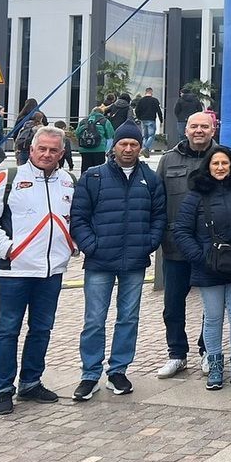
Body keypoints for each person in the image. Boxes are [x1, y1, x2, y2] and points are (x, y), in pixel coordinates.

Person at [0, 126, 75, 415]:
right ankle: (3, 389)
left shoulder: (69, 181)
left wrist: (71, 245)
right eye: (42, 148)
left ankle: (30, 382)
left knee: (42, 329)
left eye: (53, 150)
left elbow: (74, 219)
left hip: (51, 272)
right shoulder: (9, 177)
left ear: (62, 153)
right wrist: (8, 249)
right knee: (8, 330)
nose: (47, 154)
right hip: (14, 271)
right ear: (31, 150)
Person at [69, 121, 167, 401]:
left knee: (128, 318)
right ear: (114, 146)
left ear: (140, 147)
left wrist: (148, 243)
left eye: (134, 144)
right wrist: (91, 246)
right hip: (99, 261)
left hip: (134, 261)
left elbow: (159, 216)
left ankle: (118, 370)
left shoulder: (151, 179)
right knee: (94, 320)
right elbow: (79, 216)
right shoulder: (93, 177)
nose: (128, 148)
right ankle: (90, 374)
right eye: (123, 143)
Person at [173, 146, 231, 390]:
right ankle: (214, 364)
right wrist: (199, 257)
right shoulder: (196, 194)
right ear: (208, 166)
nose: (220, 167)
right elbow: (182, 230)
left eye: (225, 163)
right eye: (215, 163)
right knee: (213, 318)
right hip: (208, 266)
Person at [155, 111, 216, 378]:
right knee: (173, 306)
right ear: (186, 129)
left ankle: (208, 351)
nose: (199, 130)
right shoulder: (168, 160)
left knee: (212, 306)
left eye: (204, 126)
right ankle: (177, 354)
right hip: (175, 247)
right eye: (194, 126)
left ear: (213, 130)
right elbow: (157, 200)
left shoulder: (223, 158)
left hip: (211, 248)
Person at [77, 105, 115, 175]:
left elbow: (77, 133)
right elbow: (110, 134)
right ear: (102, 113)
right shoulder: (104, 121)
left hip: (85, 149)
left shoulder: (83, 121)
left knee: (85, 170)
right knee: (99, 170)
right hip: (99, 149)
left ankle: (85, 181)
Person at [134, 87, 164, 158]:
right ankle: (145, 148)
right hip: (151, 119)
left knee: (145, 136)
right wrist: (161, 120)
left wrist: (139, 117)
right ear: (151, 92)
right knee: (151, 135)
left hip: (143, 120)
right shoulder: (155, 100)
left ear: (145, 92)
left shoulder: (141, 100)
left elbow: (137, 110)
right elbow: (159, 111)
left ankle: (145, 151)